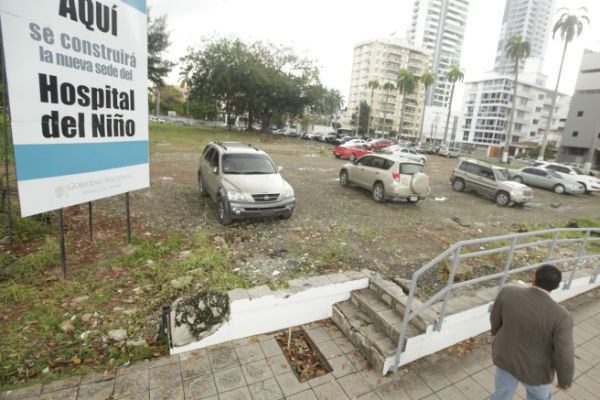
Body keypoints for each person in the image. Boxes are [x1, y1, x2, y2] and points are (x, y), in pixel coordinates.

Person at [490, 264, 574, 400]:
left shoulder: (508, 292)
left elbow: (495, 319)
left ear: (534, 278)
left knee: (501, 394)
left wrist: (496, 334)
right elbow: (564, 353)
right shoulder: (562, 317)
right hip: (537, 372)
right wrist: (565, 381)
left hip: (506, 359)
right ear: (557, 287)